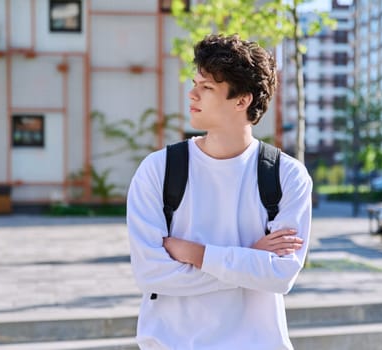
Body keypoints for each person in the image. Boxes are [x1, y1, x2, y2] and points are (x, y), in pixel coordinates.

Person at [126, 34, 313, 350]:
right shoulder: (159, 169)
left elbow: (281, 276)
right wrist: (251, 258)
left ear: (242, 101)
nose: (192, 94)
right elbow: (151, 273)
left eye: (207, 88)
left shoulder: (286, 175)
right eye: (195, 83)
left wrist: (196, 254)